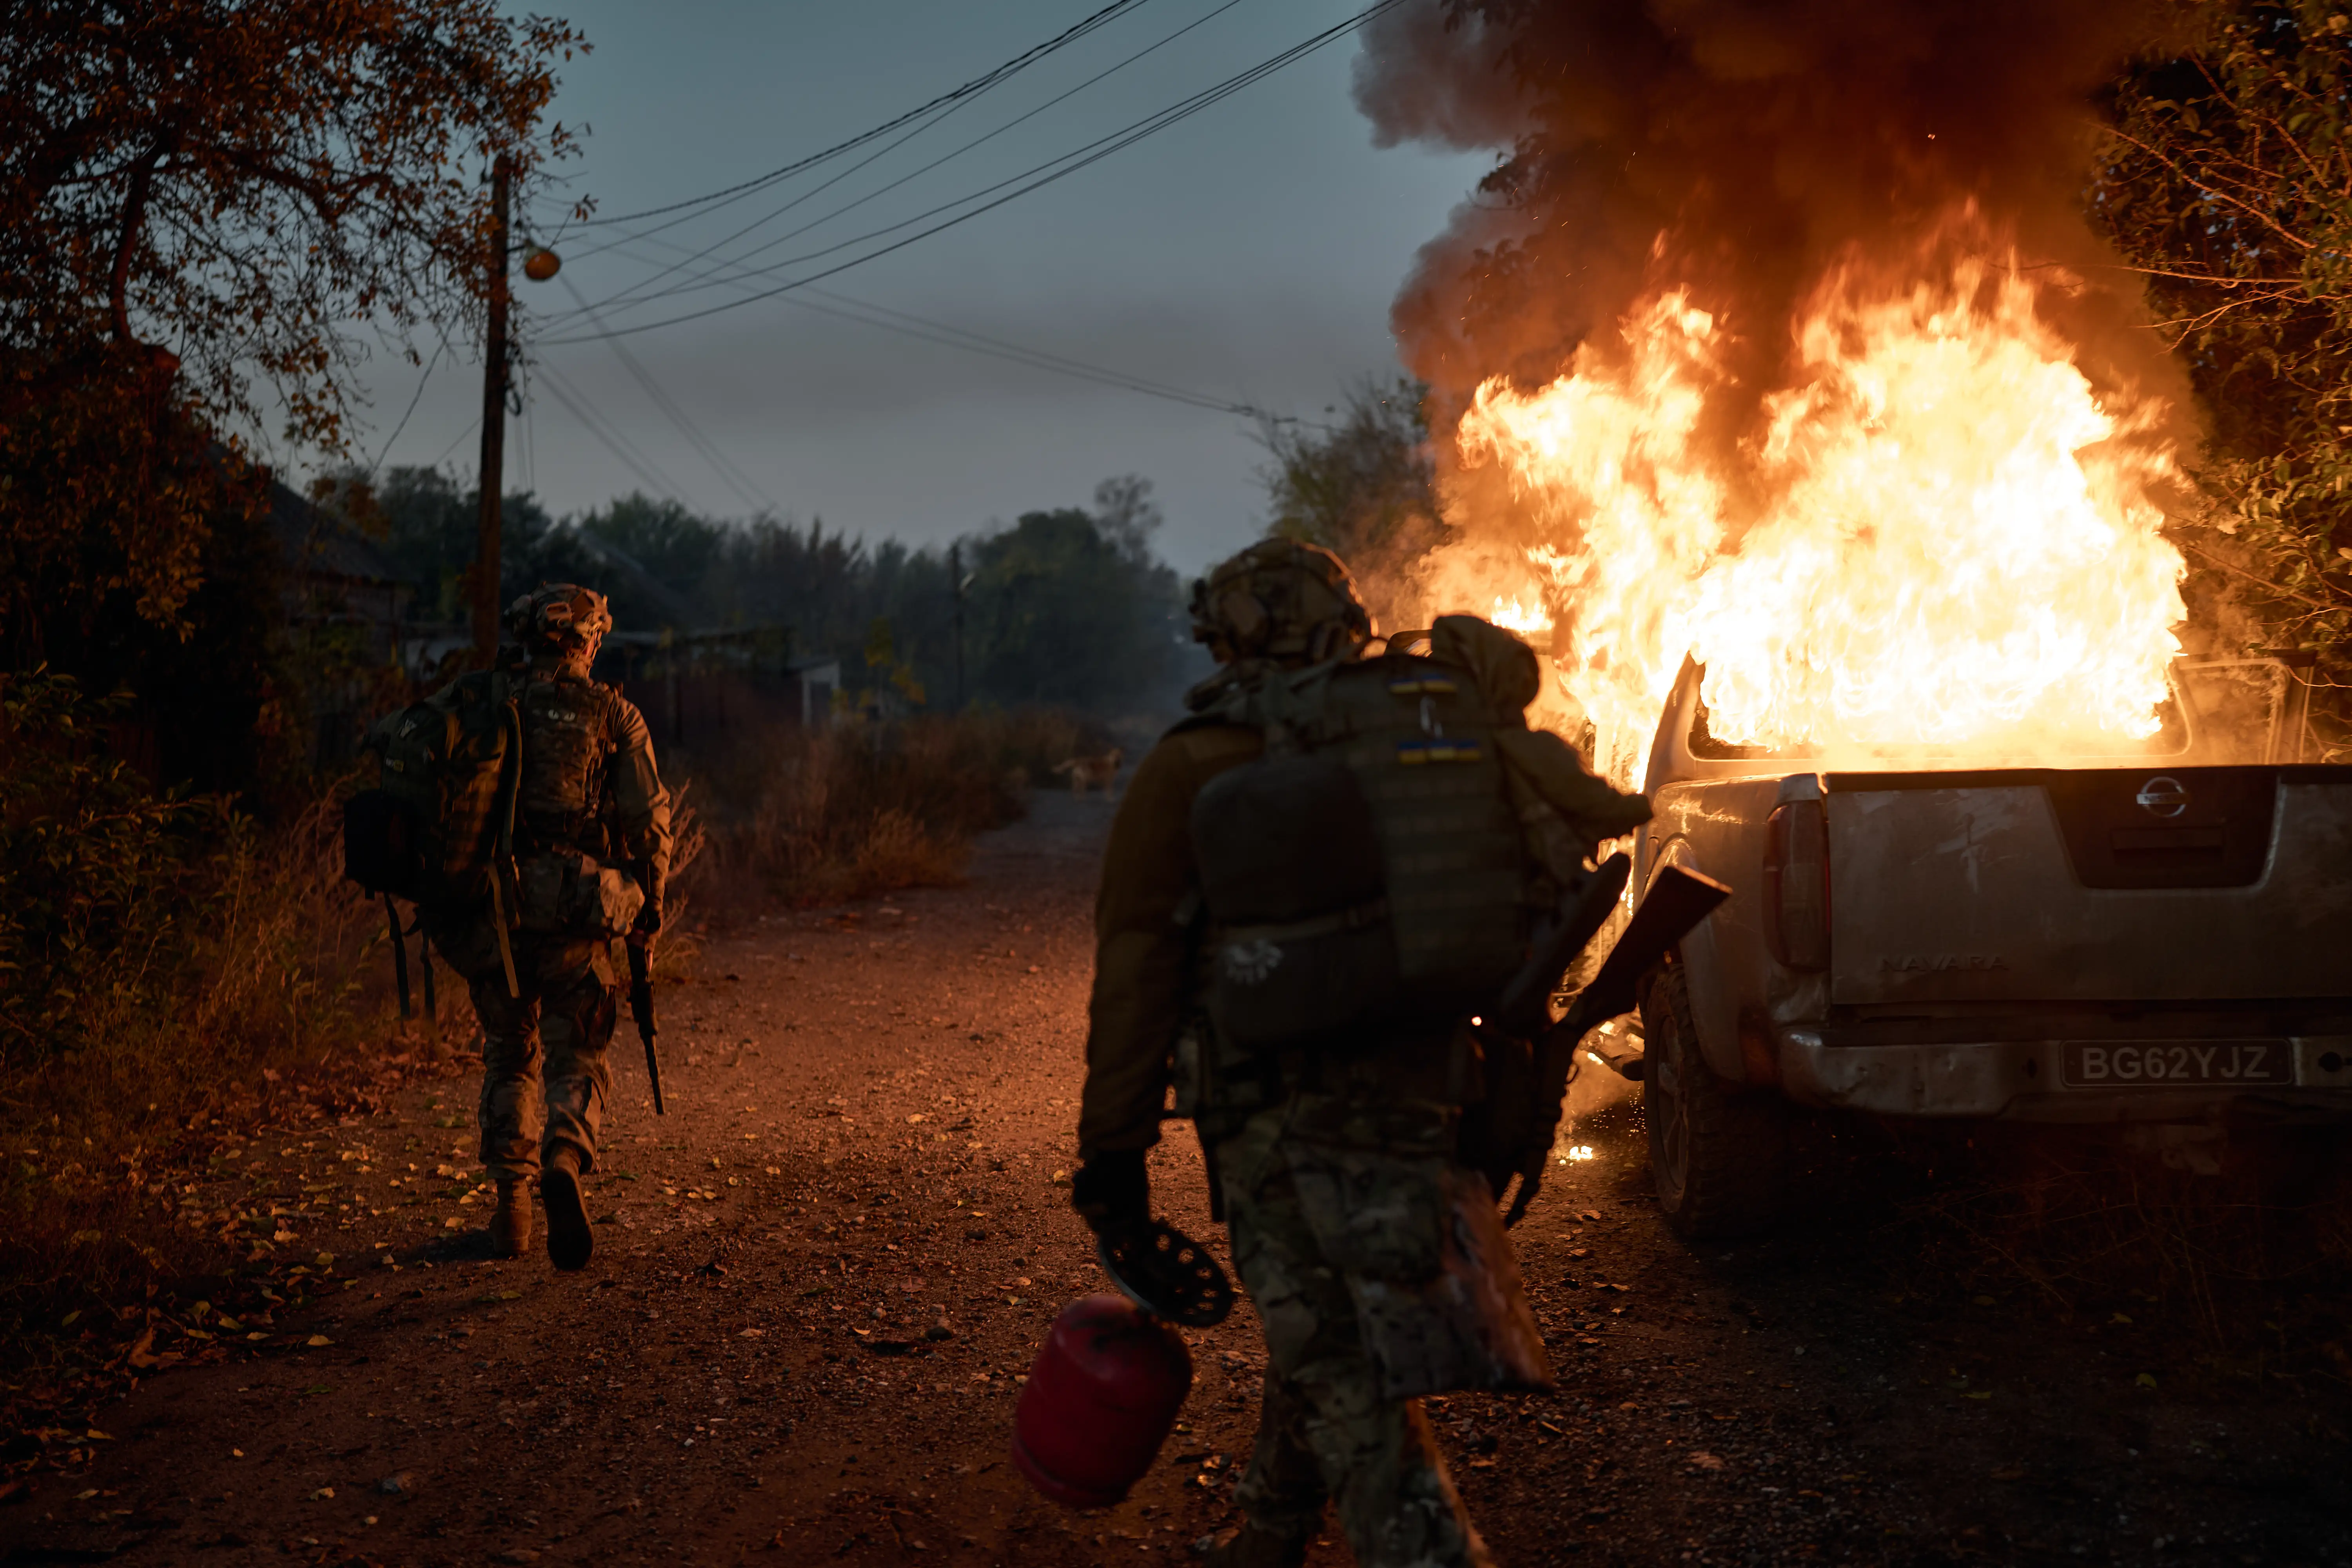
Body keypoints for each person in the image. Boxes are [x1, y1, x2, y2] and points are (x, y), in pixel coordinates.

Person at [1068, 539, 1650, 1568]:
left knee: (1336, 1357)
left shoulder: (1195, 761)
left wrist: (1113, 1151)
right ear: (1346, 624)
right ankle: (1271, 1532)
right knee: (1324, 1320)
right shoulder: (1432, 737)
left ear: (1235, 634)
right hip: (1430, 1089)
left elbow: (1138, 968)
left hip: (1274, 1114)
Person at [426, 584, 671, 1271]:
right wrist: (649, 911)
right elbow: (648, 822)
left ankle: (511, 1210)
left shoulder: (481, 701)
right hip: (573, 912)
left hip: (490, 914)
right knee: (579, 1050)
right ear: (586, 642)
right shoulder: (614, 714)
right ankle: (563, 1154)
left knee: (509, 1053)